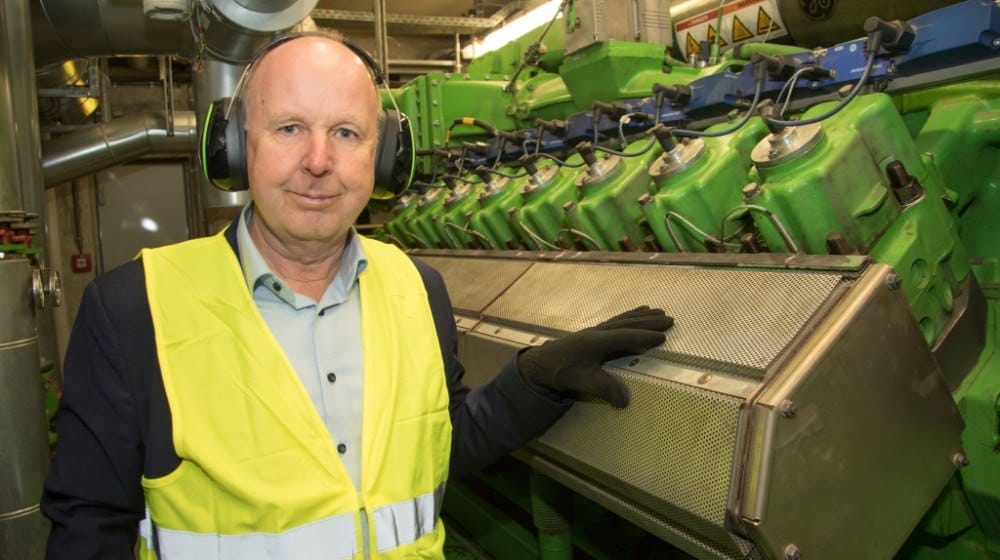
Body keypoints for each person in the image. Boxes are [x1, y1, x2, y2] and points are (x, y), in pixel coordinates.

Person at [41, 32, 673, 559]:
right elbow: (88, 529)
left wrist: (532, 383)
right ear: (235, 146)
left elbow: (437, 446)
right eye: (289, 128)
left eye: (347, 133)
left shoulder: (414, 286)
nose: (319, 161)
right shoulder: (135, 308)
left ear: (386, 156)